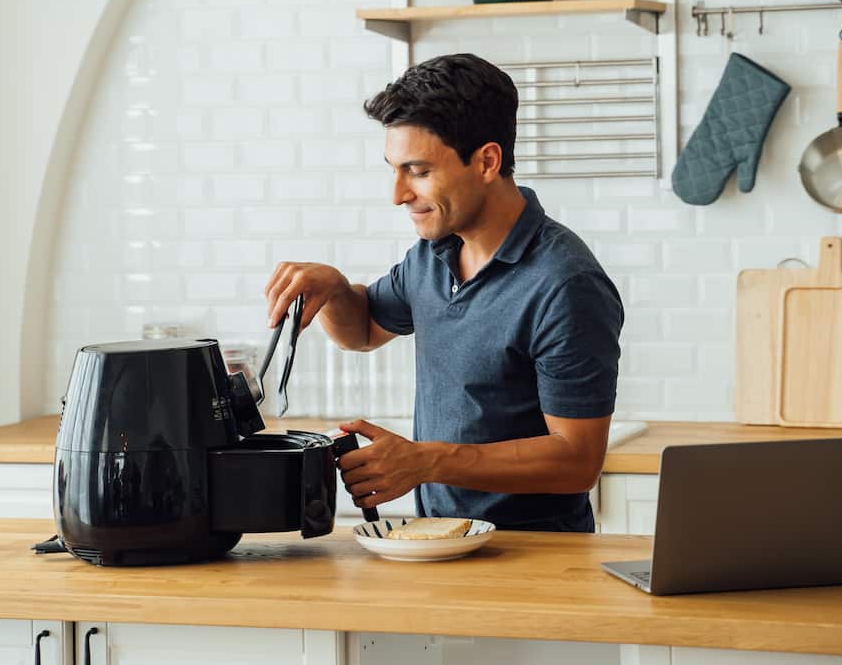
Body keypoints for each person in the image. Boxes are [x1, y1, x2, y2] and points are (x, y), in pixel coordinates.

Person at [264, 53, 623, 533]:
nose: (397, 194)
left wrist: (426, 461)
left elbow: (577, 461)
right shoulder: (432, 254)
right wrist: (333, 289)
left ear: (487, 161)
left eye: (417, 170)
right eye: (394, 169)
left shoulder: (565, 284)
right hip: (440, 542)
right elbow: (364, 330)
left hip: (534, 557)